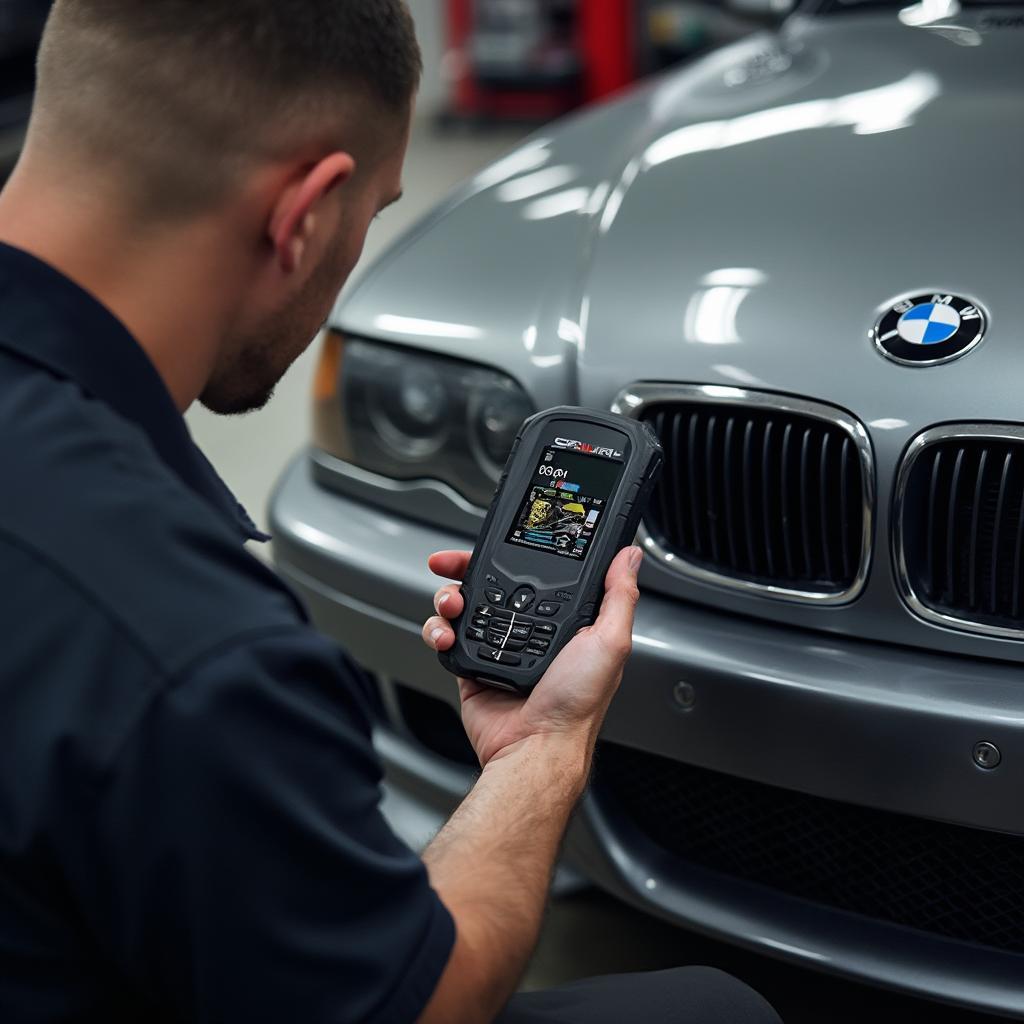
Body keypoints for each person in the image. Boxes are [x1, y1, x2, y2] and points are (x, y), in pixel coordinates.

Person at [0, 2, 782, 1022]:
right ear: (307, 216)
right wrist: (541, 748)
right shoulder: (186, 642)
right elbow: (420, 1002)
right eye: (371, 215)